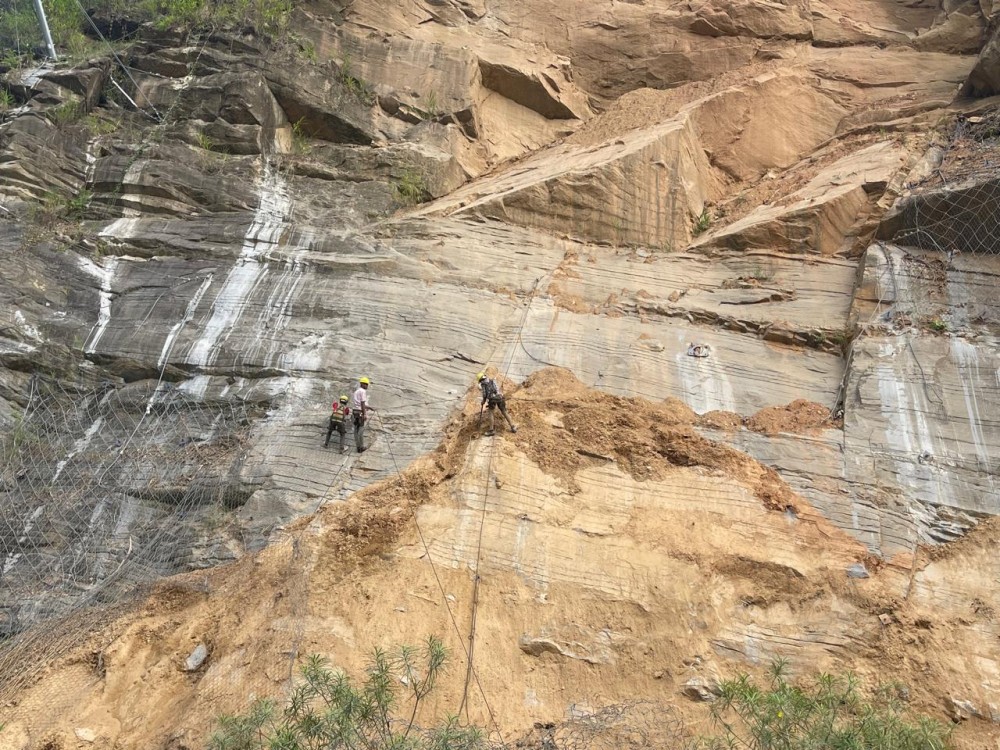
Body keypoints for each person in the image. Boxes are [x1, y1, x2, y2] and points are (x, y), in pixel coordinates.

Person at [478, 372, 516, 436]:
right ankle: (513, 427)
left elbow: (484, 394)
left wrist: (483, 401)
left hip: (492, 399)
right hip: (500, 397)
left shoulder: (483, 384)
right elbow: (497, 389)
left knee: (491, 413)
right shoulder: (492, 380)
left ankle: (491, 430)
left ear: (480, 380)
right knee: (504, 412)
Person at [352, 376, 376, 453]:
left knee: (356, 429)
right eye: (365, 384)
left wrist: (369, 407)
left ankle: (357, 447)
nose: (366, 385)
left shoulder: (356, 391)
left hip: (355, 411)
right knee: (361, 429)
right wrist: (364, 413)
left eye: (367, 384)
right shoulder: (363, 391)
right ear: (361, 384)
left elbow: (359, 403)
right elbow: (362, 403)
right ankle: (361, 447)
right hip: (360, 412)